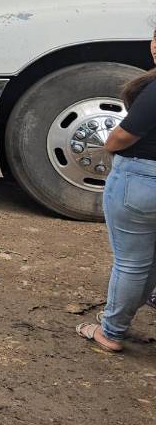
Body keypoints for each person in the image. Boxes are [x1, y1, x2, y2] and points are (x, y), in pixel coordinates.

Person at [76, 28, 156, 352]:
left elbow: (122, 137)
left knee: (131, 263)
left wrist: (109, 144)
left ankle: (111, 331)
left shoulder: (153, 90)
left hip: (140, 180)